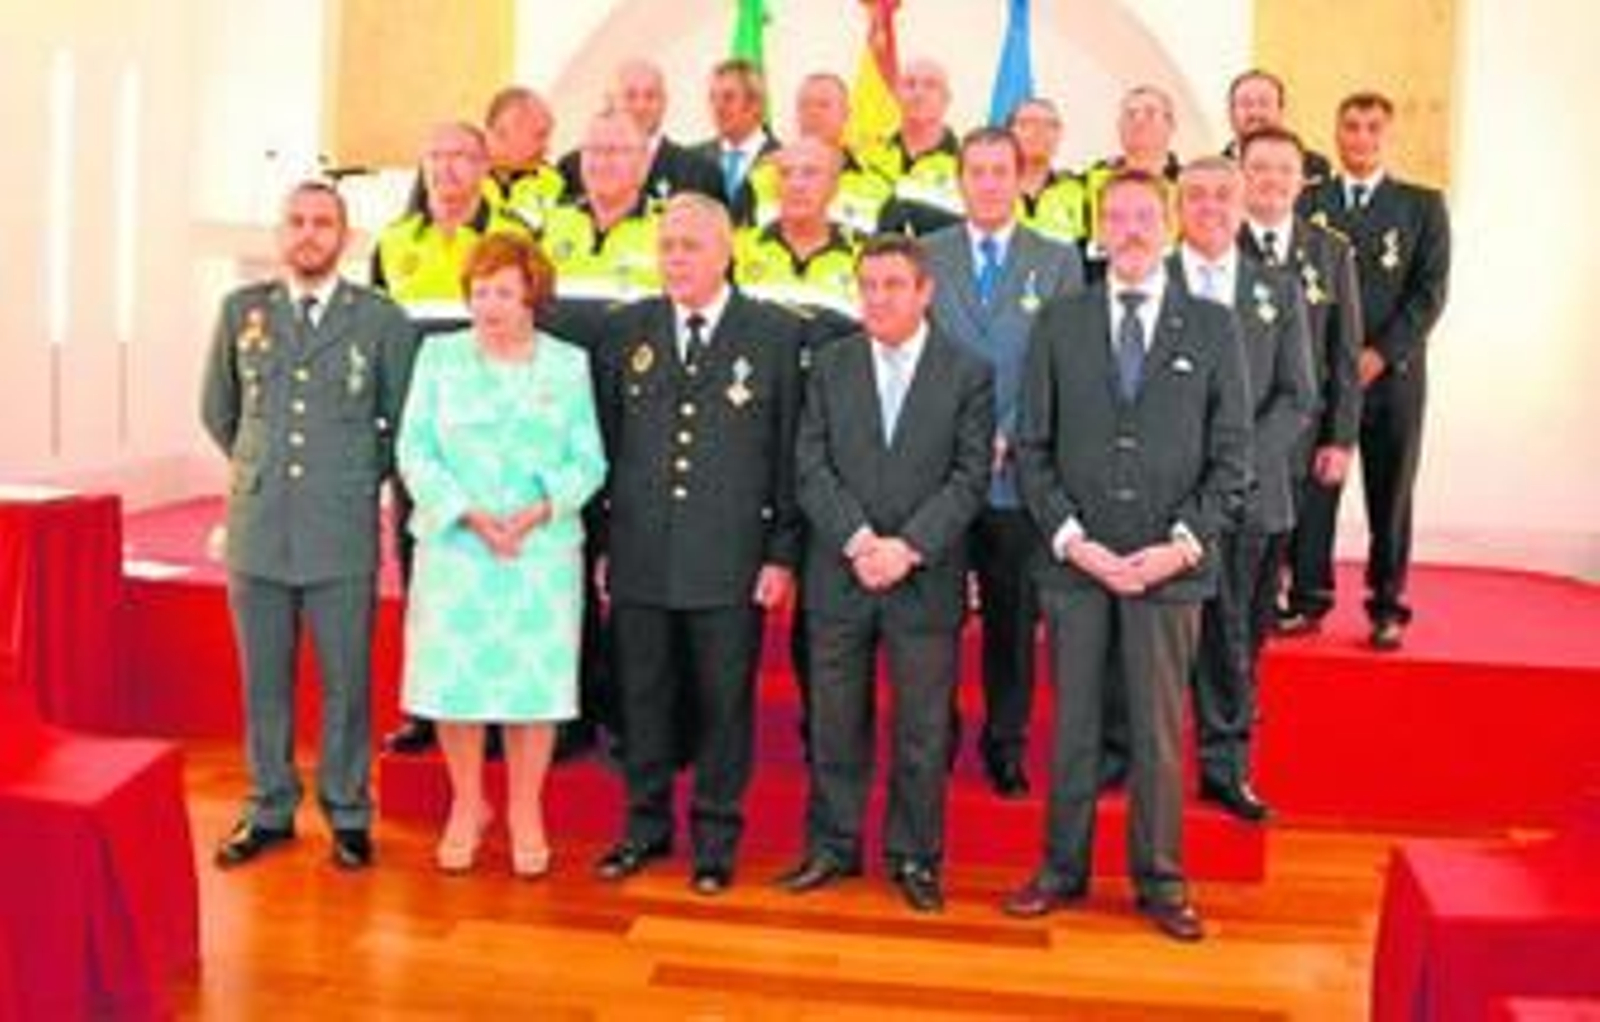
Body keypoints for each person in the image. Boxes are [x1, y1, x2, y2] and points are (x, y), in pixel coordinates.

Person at [1004, 170, 1251, 941]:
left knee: (1157, 733)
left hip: (1168, 570)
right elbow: (1032, 448)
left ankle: (1162, 880)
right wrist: (1074, 542)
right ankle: (1060, 868)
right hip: (1076, 566)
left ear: (1169, 225)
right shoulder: (1060, 321)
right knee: (1074, 726)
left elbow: (1233, 457)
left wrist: (1178, 548)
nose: (1133, 229)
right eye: (1117, 216)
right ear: (1098, 229)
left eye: (1146, 215)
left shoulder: (1213, 326)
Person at [201, 180, 417, 870]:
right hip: (259, 525)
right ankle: (269, 807)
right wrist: (260, 470)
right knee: (263, 680)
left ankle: (348, 812)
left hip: (339, 527)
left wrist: (349, 477)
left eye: (323, 222)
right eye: (295, 220)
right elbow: (219, 410)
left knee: (347, 680)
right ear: (279, 232)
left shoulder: (380, 319)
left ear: (344, 237)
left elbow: (403, 422)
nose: (308, 233)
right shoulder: (242, 311)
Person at [591, 194, 803, 895]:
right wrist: (604, 544)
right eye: (667, 246)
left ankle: (715, 840)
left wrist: (781, 553)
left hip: (730, 557)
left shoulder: (773, 335)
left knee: (723, 704)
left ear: (727, 250)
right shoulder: (627, 331)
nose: (675, 259)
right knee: (643, 697)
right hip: (642, 550)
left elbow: (787, 455)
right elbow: (608, 447)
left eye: (691, 246)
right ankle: (643, 827)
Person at [778, 234, 994, 913]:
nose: (877, 298)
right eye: (867, 285)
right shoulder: (830, 365)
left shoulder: (968, 372)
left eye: (893, 285)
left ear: (925, 291)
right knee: (834, 721)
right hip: (840, 573)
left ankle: (915, 856)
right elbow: (810, 466)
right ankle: (832, 846)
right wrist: (860, 540)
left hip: (923, 578)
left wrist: (907, 548)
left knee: (922, 731)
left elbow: (970, 478)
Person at [397, 233, 606, 877]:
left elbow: (589, 460)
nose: (489, 305)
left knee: (531, 690)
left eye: (504, 293)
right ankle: (468, 803)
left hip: (538, 551)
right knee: (454, 687)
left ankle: (523, 807)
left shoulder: (568, 365)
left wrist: (540, 511)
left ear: (531, 297)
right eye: (480, 291)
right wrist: (466, 512)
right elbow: (414, 450)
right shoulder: (437, 357)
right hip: (457, 547)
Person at [923, 128, 1084, 798]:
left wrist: (1013, 434)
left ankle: (1005, 743)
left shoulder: (1059, 260)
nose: (988, 183)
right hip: (940, 474)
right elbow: (917, 358)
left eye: (1000, 171)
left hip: (1020, 478)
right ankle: (935, 735)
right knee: (934, 618)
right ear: (959, 180)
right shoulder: (926, 254)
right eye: (977, 171)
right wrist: (968, 435)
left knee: (1012, 621)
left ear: (1021, 179)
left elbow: (1064, 364)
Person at [373, 120, 533, 756]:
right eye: (436, 155)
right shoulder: (394, 241)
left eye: (462, 156)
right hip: (422, 442)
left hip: (496, 441)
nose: (447, 168)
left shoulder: (512, 239)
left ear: (485, 167)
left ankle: (496, 712)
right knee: (426, 575)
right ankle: (429, 709)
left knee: (494, 576)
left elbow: (529, 337)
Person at [1173, 155, 1314, 822]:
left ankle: (1225, 768)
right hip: (1163, 499)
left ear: (1242, 204)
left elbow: (1298, 396)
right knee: (1147, 635)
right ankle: (1124, 751)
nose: (1209, 207)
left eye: (1221, 196)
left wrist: (1235, 464)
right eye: (1195, 196)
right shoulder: (1148, 280)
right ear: (1178, 207)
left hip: (1251, 497)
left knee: (1233, 638)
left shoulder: (1276, 290)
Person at [1300, 92, 1451, 650]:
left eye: (1371, 127)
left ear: (1388, 135)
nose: (1360, 137)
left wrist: (1379, 354)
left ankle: (1387, 605)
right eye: (1350, 126)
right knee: (1316, 488)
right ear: (1336, 133)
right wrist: (1329, 360)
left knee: (1391, 495)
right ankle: (1308, 596)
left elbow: (1429, 294)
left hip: (1394, 377)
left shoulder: (1422, 206)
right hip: (1321, 377)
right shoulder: (1308, 202)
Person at [1237, 127, 1364, 635]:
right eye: (1259, 168)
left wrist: (1341, 438)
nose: (1272, 179)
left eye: (1284, 169)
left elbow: (1344, 353)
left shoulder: (1331, 251)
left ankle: (1296, 607)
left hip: (1305, 429)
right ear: (1241, 175)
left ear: (1302, 179)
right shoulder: (1218, 246)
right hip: (1237, 429)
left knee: (1297, 534)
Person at [559, 58, 721, 208]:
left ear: (664, 102)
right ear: (609, 101)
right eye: (630, 96)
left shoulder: (700, 172)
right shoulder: (573, 167)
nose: (641, 106)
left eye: (650, 96)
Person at [861, 58, 964, 236]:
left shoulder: (967, 166)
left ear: (946, 99)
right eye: (910, 84)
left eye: (930, 85)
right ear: (896, 95)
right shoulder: (865, 159)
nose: (918, 93)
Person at [1083, 86, 1183, 261]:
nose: (1139, 121)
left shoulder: (1192, 186)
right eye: (1130, 115)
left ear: (1171, 125)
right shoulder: (1088, 184)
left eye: (1150, 113)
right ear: (1119, 127)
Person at [691, 58, 780, 227]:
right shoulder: (692, 161)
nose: (718, 107)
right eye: (712, 98)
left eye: (728, 98)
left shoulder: (783, 162)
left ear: (755, 104)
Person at [1222, 70, 1332, 189]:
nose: (1255, 112)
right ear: (1230, 113)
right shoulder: (1217, 171)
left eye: (1264, 103)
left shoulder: (1314, 166)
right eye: (1246, 104)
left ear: (1281, 111)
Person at [1009, 97, 1091, 248]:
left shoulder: (1080, 192)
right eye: (1028, 123)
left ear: (1060, 135)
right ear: (1009, 133)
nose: (1039, 131)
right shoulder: (991, 189)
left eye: (1050, 125)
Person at [482, 86, 565, 231]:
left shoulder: (553, 183)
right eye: (540, 136)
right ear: (502, 132)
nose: (547, 148)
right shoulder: (452, 177)